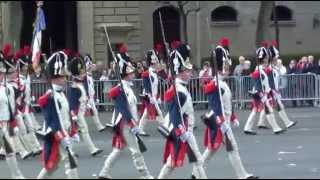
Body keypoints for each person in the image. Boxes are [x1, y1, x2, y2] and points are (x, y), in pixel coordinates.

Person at [192, 37, 258, 179]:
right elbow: (216, 106)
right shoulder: (215, 84)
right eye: (226, 67)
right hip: (220, 122)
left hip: (225, 121)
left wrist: (232, 117)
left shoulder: (222, 83)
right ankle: (242, 176)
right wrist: (223, 123)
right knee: (232, 148)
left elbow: (227, 103)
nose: (228, 69)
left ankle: (196, 173)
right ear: (220, 68)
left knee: (211, 149)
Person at [98, 55, 153, 179]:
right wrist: (132, 124)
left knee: (118, 150)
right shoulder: (121, 89)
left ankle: (104, 172)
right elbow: (124, 109)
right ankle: (145, 175)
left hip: (128, 123)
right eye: (131, 73)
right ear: (126, 75)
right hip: (125, 124)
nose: (133, 74)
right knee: (136, 151)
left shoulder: (127, 88)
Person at [157, 43, 207, 179]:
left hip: (186, 131)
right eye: (188, 71)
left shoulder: (180, 88)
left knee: (176, 163)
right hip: (181, 131)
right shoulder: (178, 90)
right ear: (180, 72)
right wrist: (183, 132)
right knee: (195, 160)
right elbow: (174, 115)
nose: (191, 73)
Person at [36, 50, 79, 179]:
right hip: (56, 135)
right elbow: (52, 121)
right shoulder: (50, 97)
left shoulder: (61, 94)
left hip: (64, 133)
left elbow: (66, 116)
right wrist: (62, 137)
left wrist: (73, 132)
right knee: (70, 163)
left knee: (52, 166)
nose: (65, 79)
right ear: (55, 77)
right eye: (63, 76)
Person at [243, 41, 285, 135]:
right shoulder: (259, 71)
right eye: (266, 59)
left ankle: (247, 127)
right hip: (260, 94)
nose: (267, 61)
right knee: (268, 110)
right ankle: (276, 128)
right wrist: (263, 95)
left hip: (263, 93)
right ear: (264, 60)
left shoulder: (261, 70)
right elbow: (258, 85)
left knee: (256, 111)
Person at [67, 54, 104, 157]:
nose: (84, 74)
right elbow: (72, 103)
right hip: (76, 113)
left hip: (80, 112)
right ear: (77, 74)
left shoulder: (79, 84)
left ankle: (69, 151)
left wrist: (87, 105)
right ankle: (92, 149)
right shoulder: (74, 87)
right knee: (82, 130)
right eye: (81, 73)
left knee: (71, 133)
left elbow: (83, 98)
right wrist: (73, 116)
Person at [256, 41, 297, 130]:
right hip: (270, 90)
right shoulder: (268, 68)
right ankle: (286, 123)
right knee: (276, 106)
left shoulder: (272, 67)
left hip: (271, 90)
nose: (276, 59)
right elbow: (268, 80)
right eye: (275, 58)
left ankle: (261, 122)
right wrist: (273, 90)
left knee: (269, 107)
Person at [0, 44, 25, 179]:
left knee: (10, 152)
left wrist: (13, 124)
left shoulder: (8, 88)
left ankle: (17, 176)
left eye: (2, 72)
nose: (1, 75)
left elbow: (11, 109)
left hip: (4, 126)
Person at [138, 49, 164, 136]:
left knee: (146, 113)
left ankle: (140, 129)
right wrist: (150, 96)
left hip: (154, 96)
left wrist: (158, 96)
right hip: (149, 96)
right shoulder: (146, 73)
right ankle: (166, 127)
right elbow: (146, 86)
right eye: (156, 61)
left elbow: (156, 86)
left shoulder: (155, 72)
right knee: (159, 112)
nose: (157, 63)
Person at [83, 54, 106, 132]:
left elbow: (96, 66)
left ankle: (79, 127)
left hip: (90, 97)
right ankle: (98, 126)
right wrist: (87, 97)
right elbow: (86, 88)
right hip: (87, 98)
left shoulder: (89, 76)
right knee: (92, 112)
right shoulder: (85, 76)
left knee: (84, 113)